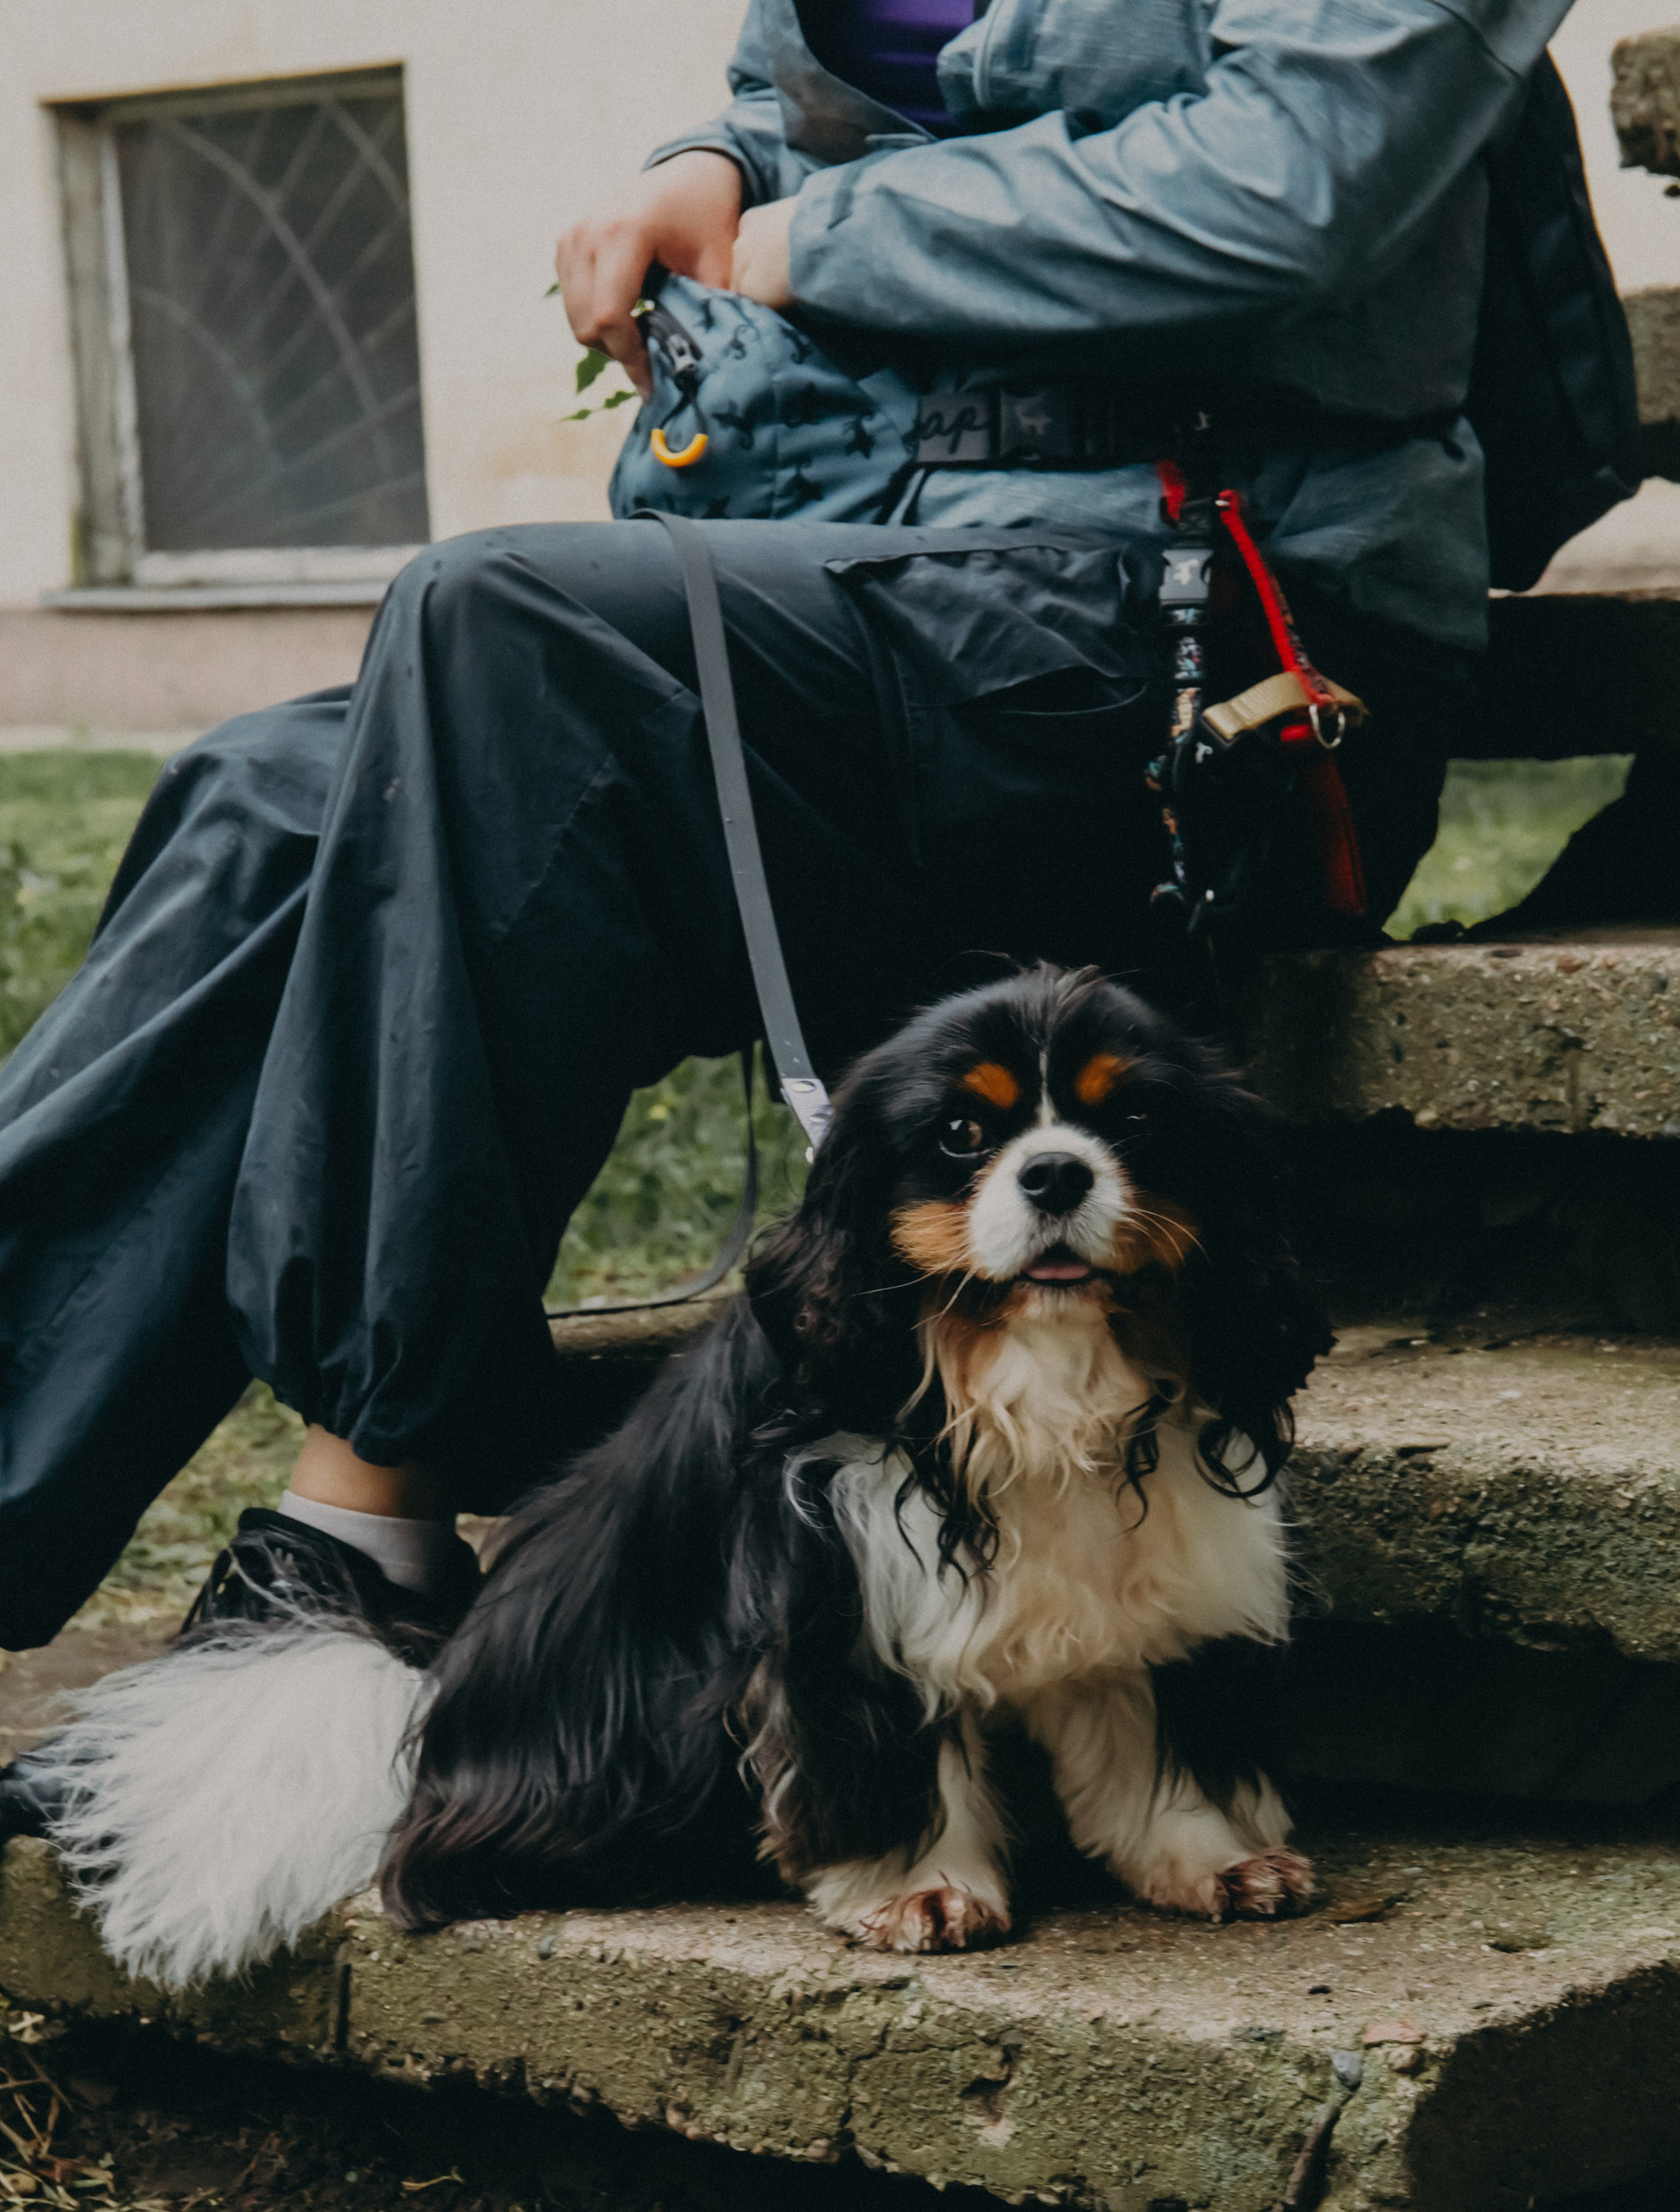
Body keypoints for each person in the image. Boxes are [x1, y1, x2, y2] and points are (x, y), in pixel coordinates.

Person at [0, 0, 1580, 1696]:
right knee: (270, 796)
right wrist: (711, 162)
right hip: (884, 577)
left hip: (1215, 633)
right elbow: (806, 91)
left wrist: (798, 239)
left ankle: (362, 1522)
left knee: (507, 627)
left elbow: (1293, 180)